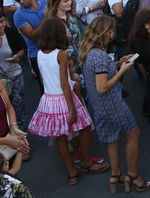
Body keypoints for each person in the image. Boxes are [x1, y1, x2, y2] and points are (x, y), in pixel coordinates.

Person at [27, 19, 107, 185]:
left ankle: (71, 173)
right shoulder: (61, 54)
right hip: (64, 98)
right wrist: (72, 107)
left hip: (49, 99)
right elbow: (65, 82)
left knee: (60, 138)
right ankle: (87, 162)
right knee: (85, 129)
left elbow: (42, 79)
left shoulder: (41, 53)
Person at [80, 16, 150, 193]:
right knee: (133, 134)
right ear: (105, 33)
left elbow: (100, 73)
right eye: (111, 31)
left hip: (99, 107)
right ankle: (133, 175)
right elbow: (102, 86)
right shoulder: (100, 57)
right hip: (112, 103)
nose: (113, 35)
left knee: (112, 138)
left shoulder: (91, 53)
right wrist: (122, 71)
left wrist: (118, 63)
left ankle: (116, 174)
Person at [0, 10, 28, 131]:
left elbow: (22, 48)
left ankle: (22, 133)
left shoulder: (11, 32)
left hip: (15, 74)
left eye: (2, 21)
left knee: (18, 104)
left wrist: (18, 55)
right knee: (1, 106)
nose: (0, 25)